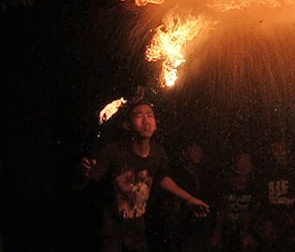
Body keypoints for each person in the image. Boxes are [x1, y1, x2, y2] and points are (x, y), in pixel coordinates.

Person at [75, 98, 210, 252]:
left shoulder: (158, 153)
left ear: (156, 124)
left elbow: (162, 179)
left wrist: (190, 199)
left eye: (150, 115)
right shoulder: (112, 152)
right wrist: (83, 173)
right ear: (127, 125)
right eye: (139, 115)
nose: (146, 119)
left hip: (137, 233)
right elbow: (85, 183)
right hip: (109, 233)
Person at [152, 138, 212, 251]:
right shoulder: (177, 175)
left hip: (199, 226)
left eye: (199, 150)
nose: (198, 153)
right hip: (181, 228)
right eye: (194, 150)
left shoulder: (204, 174)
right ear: (184, 152)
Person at [211, 150, 262, 251]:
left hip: (247, 231)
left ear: (252, 166)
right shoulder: (226, 186)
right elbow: (220, 211)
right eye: (241, 161)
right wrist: (218, 233)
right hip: (226, 231)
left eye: (247, 161)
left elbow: (251, 214)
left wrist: (246, 234)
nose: (243, 165)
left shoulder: (255, 188)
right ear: (235, 164)